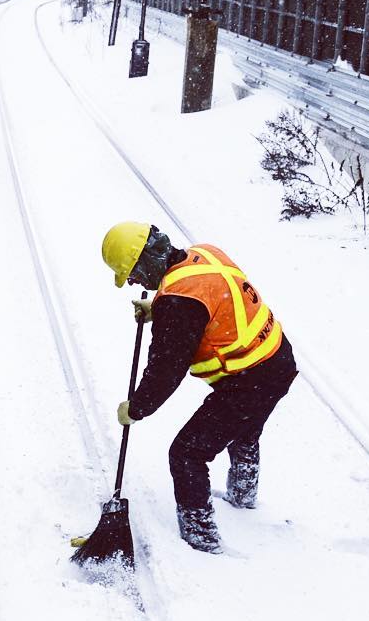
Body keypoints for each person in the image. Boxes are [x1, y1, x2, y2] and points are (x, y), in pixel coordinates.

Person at [101, 222, 297, 553]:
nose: (132, 282)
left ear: (145, 260)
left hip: (249, 381)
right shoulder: (203, 253)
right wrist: (159, 308)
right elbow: (207, 303)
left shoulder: (179, 304)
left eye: (131, 274)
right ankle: (243, 496)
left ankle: (201, 539)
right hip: (277, 360)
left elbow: (166, 370)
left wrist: (136, 408)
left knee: (187, 453)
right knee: (244, 430)